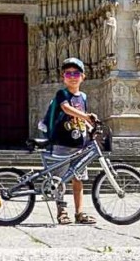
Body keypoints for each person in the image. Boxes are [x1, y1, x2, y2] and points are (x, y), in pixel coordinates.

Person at [45, 57, 97, 225]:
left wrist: (90, 126)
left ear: (83, 77)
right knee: (59, 180)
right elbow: (66, 108)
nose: (72, 76)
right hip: (62, 143)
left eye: (76, 73)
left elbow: (82, 119)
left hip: (79, 145)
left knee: (78, 179)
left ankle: (79, 212)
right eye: (68, 73)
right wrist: (86, 116)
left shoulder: (83, 96)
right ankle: (62, 212)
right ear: (63, 77)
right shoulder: (62, 94)